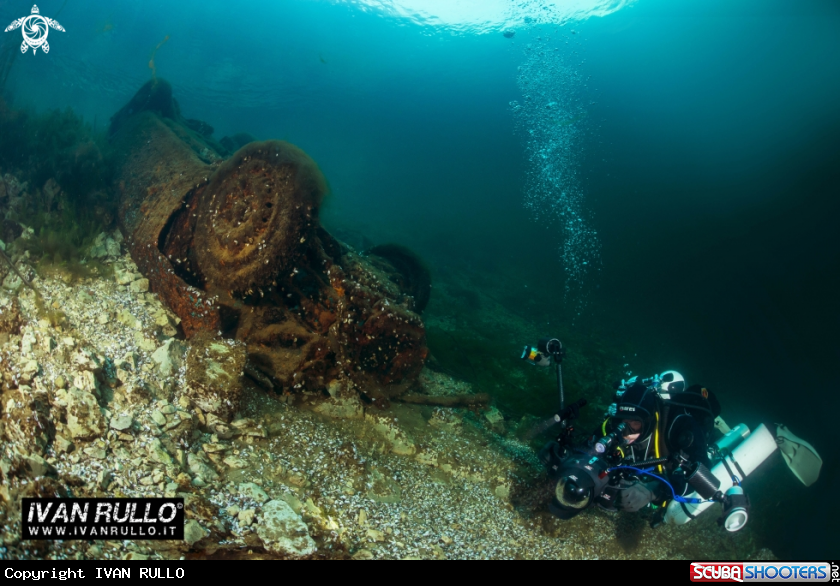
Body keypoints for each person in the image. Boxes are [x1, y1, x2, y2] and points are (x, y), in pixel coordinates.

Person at [591, 371, 719, 513]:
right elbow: (590, 447)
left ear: (649, 420)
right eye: (622, 422)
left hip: (683, 451)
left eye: (635, 423)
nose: (626, 432)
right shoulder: (615, 424)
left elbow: (704, 469)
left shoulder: (679, 424)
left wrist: (654, 491)